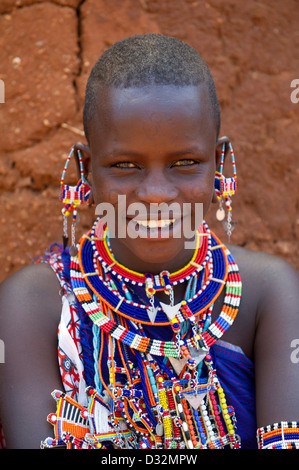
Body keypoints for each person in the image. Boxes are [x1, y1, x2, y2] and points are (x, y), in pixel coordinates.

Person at [0, 33, 298, 450]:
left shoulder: (269, 293)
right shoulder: (33, 306)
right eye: (125, 165)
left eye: (185, 163)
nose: (156, 193)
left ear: (219, 164)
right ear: (86, 171)